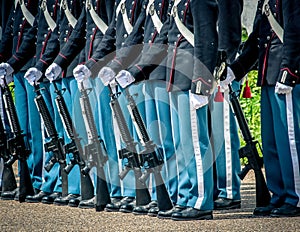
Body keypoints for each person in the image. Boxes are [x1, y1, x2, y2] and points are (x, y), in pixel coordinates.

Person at [104, 0, 219, 220]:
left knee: (195, 143)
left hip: (190, 79)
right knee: (181, 145)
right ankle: (184, 197)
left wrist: (201, 81)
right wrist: (136, 71)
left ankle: (200, 201)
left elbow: (206, 41)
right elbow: (163, 41)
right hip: (174, 77)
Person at [220, 0, 300, 217]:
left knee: (289, 141)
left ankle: (296, 197)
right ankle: (280, 195)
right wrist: (236, 70)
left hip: (285, 73)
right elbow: (257, 39)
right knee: (272, 141)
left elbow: (295, 30)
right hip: (268, 73)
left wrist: (290, 69)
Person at [45, 0, 122, 209]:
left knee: (109, 133)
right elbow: (79, 31)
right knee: (92, 134)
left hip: (104, 66)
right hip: (89, 66)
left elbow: (112, 32)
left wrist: (93, 63)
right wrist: (55, 61)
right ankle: (103, 187)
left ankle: (119, 189)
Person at [23, 0, 85, 206]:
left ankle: (75, 186)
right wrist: (44, 64)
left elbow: (79, 34)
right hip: (55, 69)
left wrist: (57, 63)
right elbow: (54, 35)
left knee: (72, 131)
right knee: (54, 132)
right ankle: (57, 184)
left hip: (75, 65)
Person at [0, 0, 39, 200]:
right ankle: (28, 178)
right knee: (20, 130)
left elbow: (33, 34)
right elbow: (8, 33)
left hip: (30, 65)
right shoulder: (18, 3)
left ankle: (37, 180)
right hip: (16, 70)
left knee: (34, 130)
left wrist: (12, 63)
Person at [212, 0, 243, 210]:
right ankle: (215, 187)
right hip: (205, 65)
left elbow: (229, 30)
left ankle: (230, 190)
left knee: (223, 130)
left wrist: (224, 66)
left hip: (222, 67)